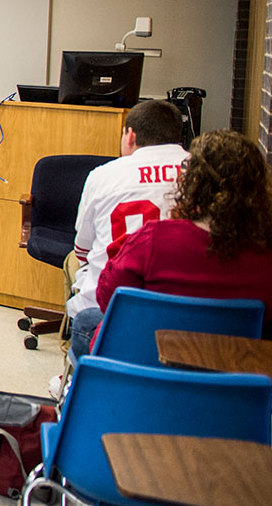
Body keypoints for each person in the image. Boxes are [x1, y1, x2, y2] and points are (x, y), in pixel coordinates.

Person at [90, 129, 272, 343]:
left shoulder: (154, 239)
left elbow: (106, 299)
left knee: (86, 320)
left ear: (194, 182)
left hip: (146, 367)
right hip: (235, 372)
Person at [61, 99, 188, 355]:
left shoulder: (104, 174)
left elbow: (83, 249)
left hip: (111, 306)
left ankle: (70, 360)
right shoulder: (202, 170)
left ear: (130, 135)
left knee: (73, 261)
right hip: (185, 309)